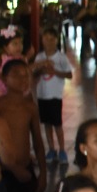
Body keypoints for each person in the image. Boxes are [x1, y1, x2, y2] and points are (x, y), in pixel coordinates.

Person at [0, 60, 49, 192]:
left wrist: (43, 173)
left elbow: (38, 142)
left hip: (26, 168)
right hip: (2, 171)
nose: (22, 79)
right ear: (3, 78)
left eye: (26, 75)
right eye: (16, 75)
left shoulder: (29, 106)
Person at [32, 26, 76, 165]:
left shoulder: (61, 57)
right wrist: (41, 70)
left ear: (57, 40)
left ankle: (62, 149)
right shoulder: (39, 57)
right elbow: (34, 74)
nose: (49, 42)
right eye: (46, 39)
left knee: (57, 123)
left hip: (55, 95)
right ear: (42, 40)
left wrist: (54, 71)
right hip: (42, 95)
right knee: (46, 124)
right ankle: (51, 149)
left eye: (52, 39)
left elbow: (69, 74)